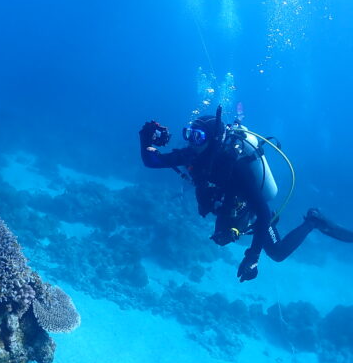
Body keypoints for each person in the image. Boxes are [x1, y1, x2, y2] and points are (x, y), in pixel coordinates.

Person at [139, 107, 352, 282]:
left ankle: (313, 221)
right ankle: (238, 228)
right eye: (189, 134)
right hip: (226, 205)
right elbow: (152, 161)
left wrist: (253, 257)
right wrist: (145, 137)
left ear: (213, 138)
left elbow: (263, 212)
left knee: (277, 253)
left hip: (251, 211)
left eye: (198, 136)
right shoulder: (192, 155)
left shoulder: (236, 167)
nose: (192, 142)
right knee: (222, 236)